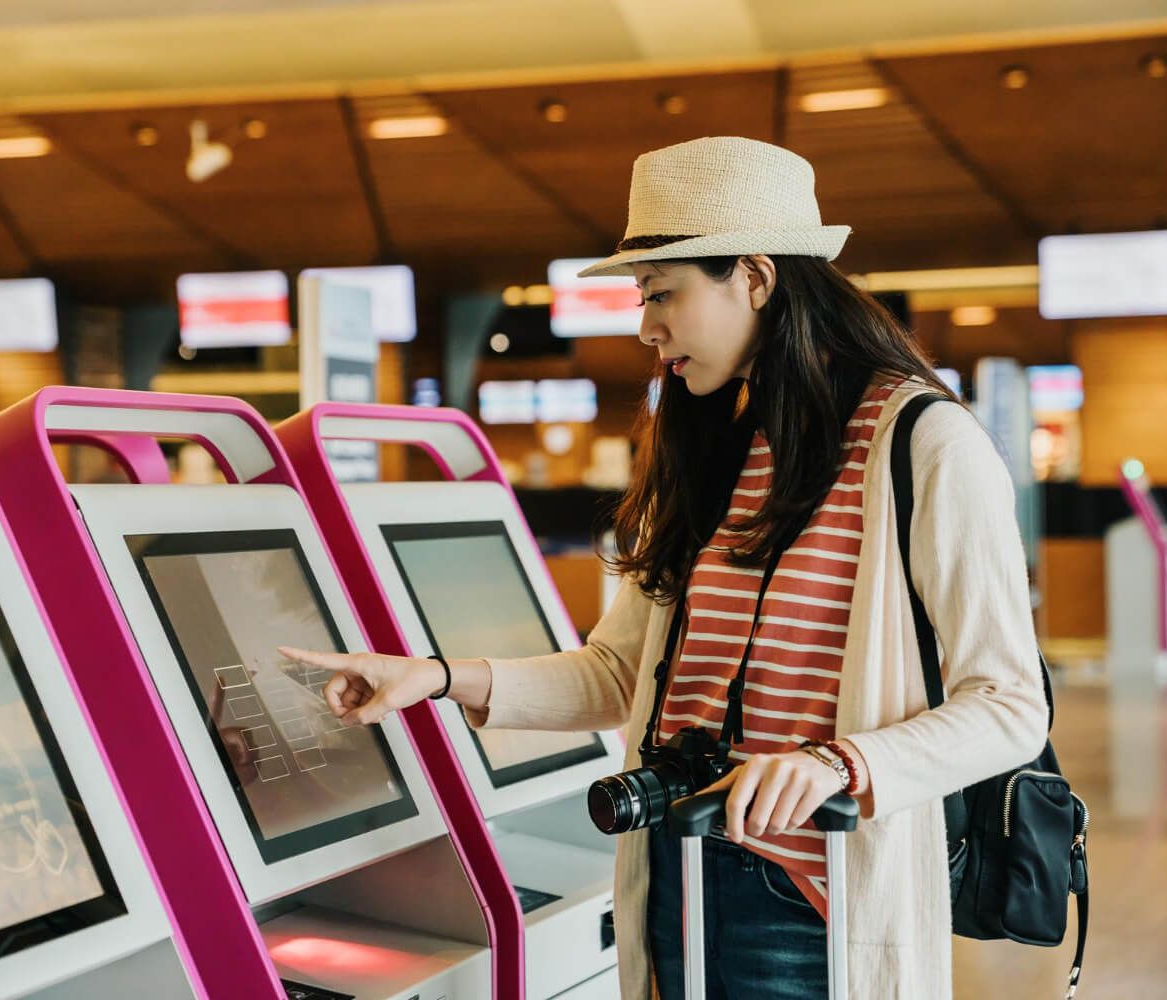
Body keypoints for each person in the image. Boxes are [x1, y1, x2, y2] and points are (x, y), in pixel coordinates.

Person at [280, 135, 1048, 999]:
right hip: (673, 872)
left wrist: (834, 765)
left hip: (812, 901)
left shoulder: (921, 444)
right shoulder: (714, 446)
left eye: (662, 294)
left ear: (754, 277)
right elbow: (617, 672)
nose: (646, 327)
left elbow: (1011, 705)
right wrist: (434, 677)